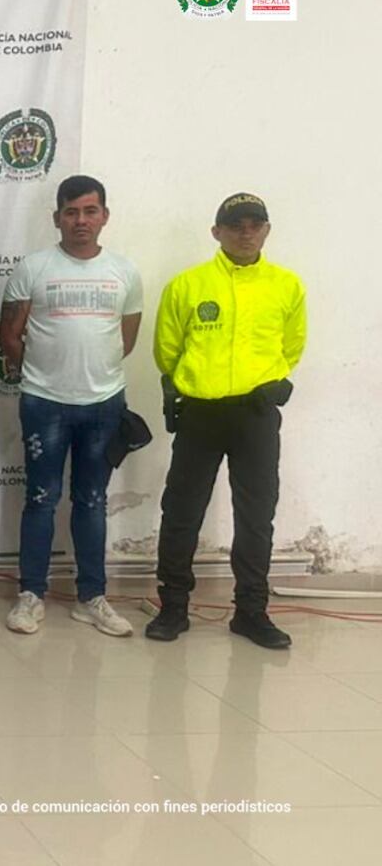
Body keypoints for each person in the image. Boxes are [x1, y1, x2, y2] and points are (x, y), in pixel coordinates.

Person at [145, 193, 306, 649]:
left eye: (255, 224)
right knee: (181, 512)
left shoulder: (286, 286)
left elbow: (292, 345)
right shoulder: (187, 285)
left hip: (256, 415)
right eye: (236, 225)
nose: (246, 232)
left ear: (267, 230)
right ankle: (173, 607)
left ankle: (251, 612)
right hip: (202, 413)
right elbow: (167, 351)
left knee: (256, 517)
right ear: (217, 232)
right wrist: (194, 384)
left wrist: (267, 380)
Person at [0, 175, 143, 637]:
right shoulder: (33, 267)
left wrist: (92, 377)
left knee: (92, 501)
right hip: (44, 404)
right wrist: (44, 375)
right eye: (72, 212)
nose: (81, 220)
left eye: (90, 211)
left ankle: (91, 597)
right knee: (40, 500)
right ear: (57, 217)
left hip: (104, 405)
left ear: (104, 216)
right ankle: (31, 595)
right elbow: (9, 336)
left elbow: (126, 340)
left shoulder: (125, 272)